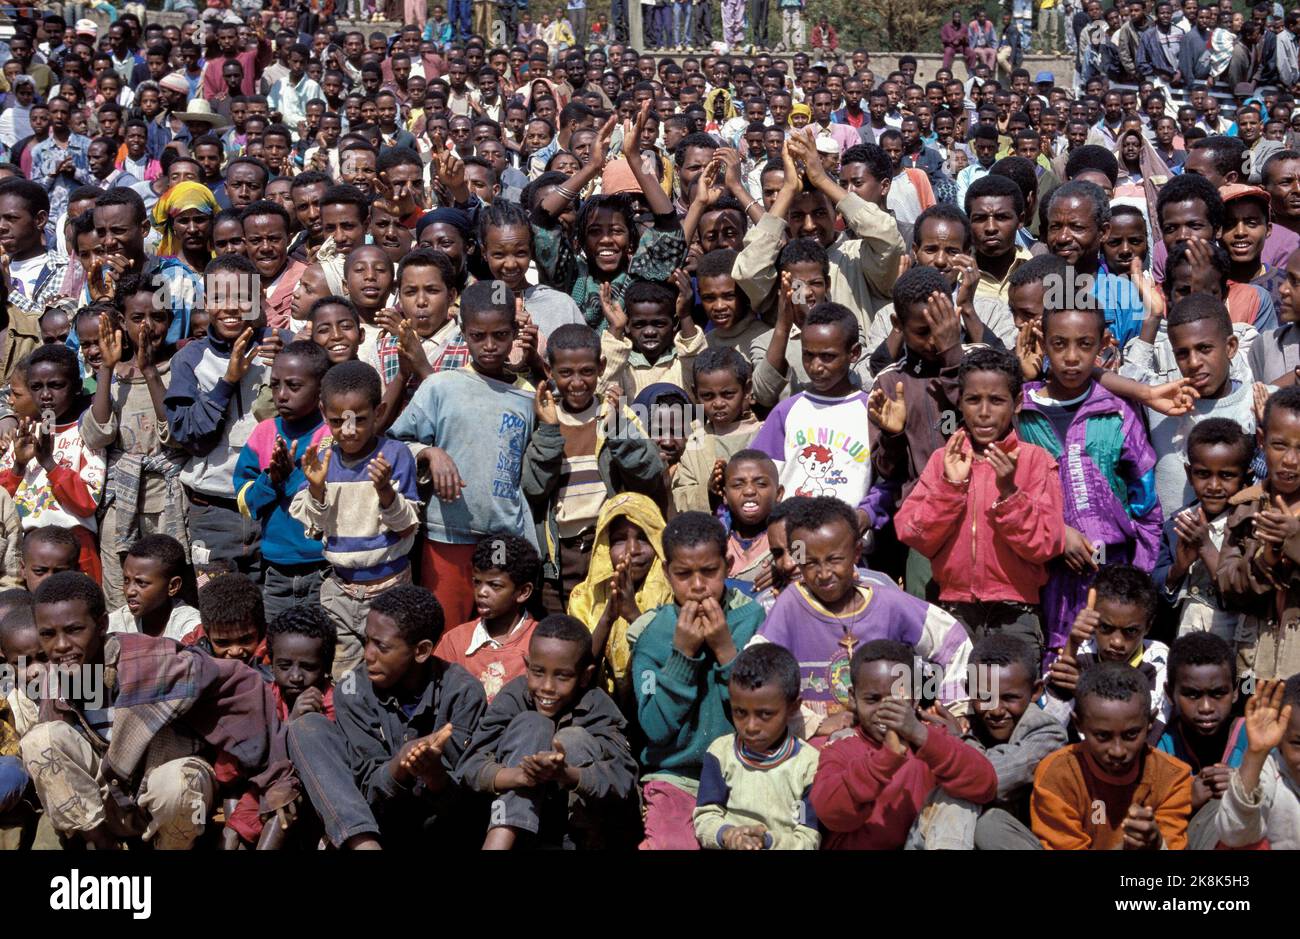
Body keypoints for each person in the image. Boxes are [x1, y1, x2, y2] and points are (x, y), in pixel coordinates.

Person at [19, 571, 285, 850]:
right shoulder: (54, 679)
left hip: (169, 794)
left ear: (101, 625)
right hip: (109, 801)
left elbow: (243, 683)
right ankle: (103, 845)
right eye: (48, 634)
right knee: (40, 740)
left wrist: (276, 778)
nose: (61, 645)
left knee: (179, 783)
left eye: (74, 630)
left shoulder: (153, 661)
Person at [754, 495, 973, 740]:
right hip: (816, 748)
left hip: (888, 741)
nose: (824, 573)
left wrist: (955, 709)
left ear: (856, 552)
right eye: (811, 563)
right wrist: (812, 723)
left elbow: (954, 642)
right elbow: (756, 673)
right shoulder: (791, 605)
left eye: (834, 560)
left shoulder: (888, 603)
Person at [285, 585, 488, 849]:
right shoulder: (353, 689)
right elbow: (366, 790)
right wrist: (400, 765)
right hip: (378, 825)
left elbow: (465, 796)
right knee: (307, 727)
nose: (368, 655)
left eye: (381, 646)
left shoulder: (463, 692)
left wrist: (433, 773)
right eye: (366, 641)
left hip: (444, 828)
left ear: (421, 651)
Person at [896, 347, 1064, 665]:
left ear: (1017, 403)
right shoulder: (944, 460)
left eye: (997, 400)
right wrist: (951, 487)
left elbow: (1046, 545)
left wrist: (1010, 493)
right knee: (959, 692)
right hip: (954, 609)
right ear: (960, 402)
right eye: (973, 400)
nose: (984, 412)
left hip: (1016, 612)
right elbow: (914, 533)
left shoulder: (1035, 461)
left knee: (1009, 691)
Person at [388, 281, 538, 628]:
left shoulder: (528, 397)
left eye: (500, 335)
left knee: (500, 630)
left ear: (515, 332)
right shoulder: (441, 387)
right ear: (463, 332)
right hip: (448, 534)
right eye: (478, 336)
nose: (490, 345)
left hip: (504, 535)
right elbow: (395, 445)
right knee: (446, 627)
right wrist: (430, 452)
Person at [630, 511, 766, 850]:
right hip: (676, 777)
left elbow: (762, 711)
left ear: (728, 565)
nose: (698, 586)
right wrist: (682, 657)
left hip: (744, 772)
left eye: (709, 571)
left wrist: (725, 650)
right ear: (666, 573)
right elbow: (654, 727)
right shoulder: (650, 636)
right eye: (683, 574)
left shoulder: (752, 620)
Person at [457, 614, 639, 849]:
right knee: (533, 724)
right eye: (538, 672)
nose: (547, 687)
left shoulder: (598, 706)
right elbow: (470, 767)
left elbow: (623, 779)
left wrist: (567, 774)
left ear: (585, 676)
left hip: (581, 830)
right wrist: (520, 776)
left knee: (571, 739)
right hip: (523, 829)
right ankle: (498, 842)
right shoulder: (514, 696)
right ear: (527, 667)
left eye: (562, 676)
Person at [290, 360, 421, 681]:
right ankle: (350, 712)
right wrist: (317, 489)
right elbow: (313, 526)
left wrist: (385, 491)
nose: (348, 431)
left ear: (379, 411)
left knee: (391, 671)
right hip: (340, 590)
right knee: (344, 675)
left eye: (359, 420)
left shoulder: (394, 455)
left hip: (390, 587)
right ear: (324, 413)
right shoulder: (323, 459)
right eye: (337, 421)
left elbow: (407, 525)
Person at [522, 323, 662, 612]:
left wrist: (617, 427)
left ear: (601, 367)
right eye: (566, 373)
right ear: (549, 371)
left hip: (606, 547)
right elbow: (534, 488)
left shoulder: (616, 414)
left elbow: (649, 475)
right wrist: (549, 431)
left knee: (607, 620)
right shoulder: (543, 418)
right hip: (559, 555)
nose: (577, 383)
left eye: (586, 372)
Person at [810, 638, 999, 850]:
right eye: (872, 699)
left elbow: (985, 785)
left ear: (915, 698)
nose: (885, 710)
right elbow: (831, 813)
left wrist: (921, 736)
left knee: (958, 798)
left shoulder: (931, 740)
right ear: (853, 699)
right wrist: (885, 760)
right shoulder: (842, 747)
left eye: (896, 700)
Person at [1031, 662, 1192, 849]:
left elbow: (1173, 842)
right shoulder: (1057, 774)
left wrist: (1157, 844)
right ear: (1078, 724)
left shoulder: (1172, 777)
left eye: (1131, 735)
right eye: (1102, 736)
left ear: (1150, 722)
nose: (1118, 751)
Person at [233, 341, 332, 623]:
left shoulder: (332, 436)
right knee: (278, 636)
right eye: (275, 385)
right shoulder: (264, 433)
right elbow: (245, 502)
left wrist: (294, 477)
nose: (281, 395)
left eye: (294, 386)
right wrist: (272, 480)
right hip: (276, 568)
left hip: (325, 566)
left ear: (321, 387)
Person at [693, 643, 820, 849]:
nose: (751, 727)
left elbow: (808, 838)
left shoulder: (808, 765)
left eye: (765, 714)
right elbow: (706, 817)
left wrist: (766, 842)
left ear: (793, 707)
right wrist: (728, 835)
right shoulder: (720, 753)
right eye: (740, 712)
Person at [1217, 385, 1300, 680]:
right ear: (1262, 441)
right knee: (1249, 705)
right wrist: (1266, 559)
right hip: (1253, 660)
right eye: (1279, 445)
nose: (1291, 460)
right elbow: (1226, 586)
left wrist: (1294, 539)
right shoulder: (1245, 508)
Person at [1153, 418, 1253, 645]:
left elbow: (1245, 593)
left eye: (1226, 475)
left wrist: (1206, 547)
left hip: (1236, 644)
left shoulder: (1249, 526)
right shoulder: (1178, 524)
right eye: (1203, 474)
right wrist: (1178, 568)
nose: (1214, 486)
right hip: (1184, 640)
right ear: (1189, 474)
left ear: (1245, 477)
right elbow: (1156, 587)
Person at [964, 634, 1069, 849]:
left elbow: (987, 780)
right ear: (968, 691)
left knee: (987, 824)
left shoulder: (1047, 732)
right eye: (985, 697)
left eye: (1010, 698)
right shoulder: (970, 725)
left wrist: (957, 742)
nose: (996, 710)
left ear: (1035, 691)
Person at [1157, 631, 1247, 848]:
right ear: (1169, 692)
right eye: (1192, 695)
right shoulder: (1162, 746)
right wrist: (1186, 800)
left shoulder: (1255, 739)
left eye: (1218, 694)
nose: (1206, 707)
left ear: (1235, 692)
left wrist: (1245, 785)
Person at [434, 534, 541, 701]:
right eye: (477, 582)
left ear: (523, 592)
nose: (481, 592)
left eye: (495, 585)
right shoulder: (455, 641)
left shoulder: (540, 643)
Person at [1215, 676, 1300, 849]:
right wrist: (1255, 755)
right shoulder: (1270, 773)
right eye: (1298, 743)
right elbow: (1234, 834)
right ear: (1280, 738)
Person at [105, 534, 200, 640]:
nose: (130, 591)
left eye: (141, 583)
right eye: (126, 580)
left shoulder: (191, 627)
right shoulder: (115, 625)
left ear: (173, 586)